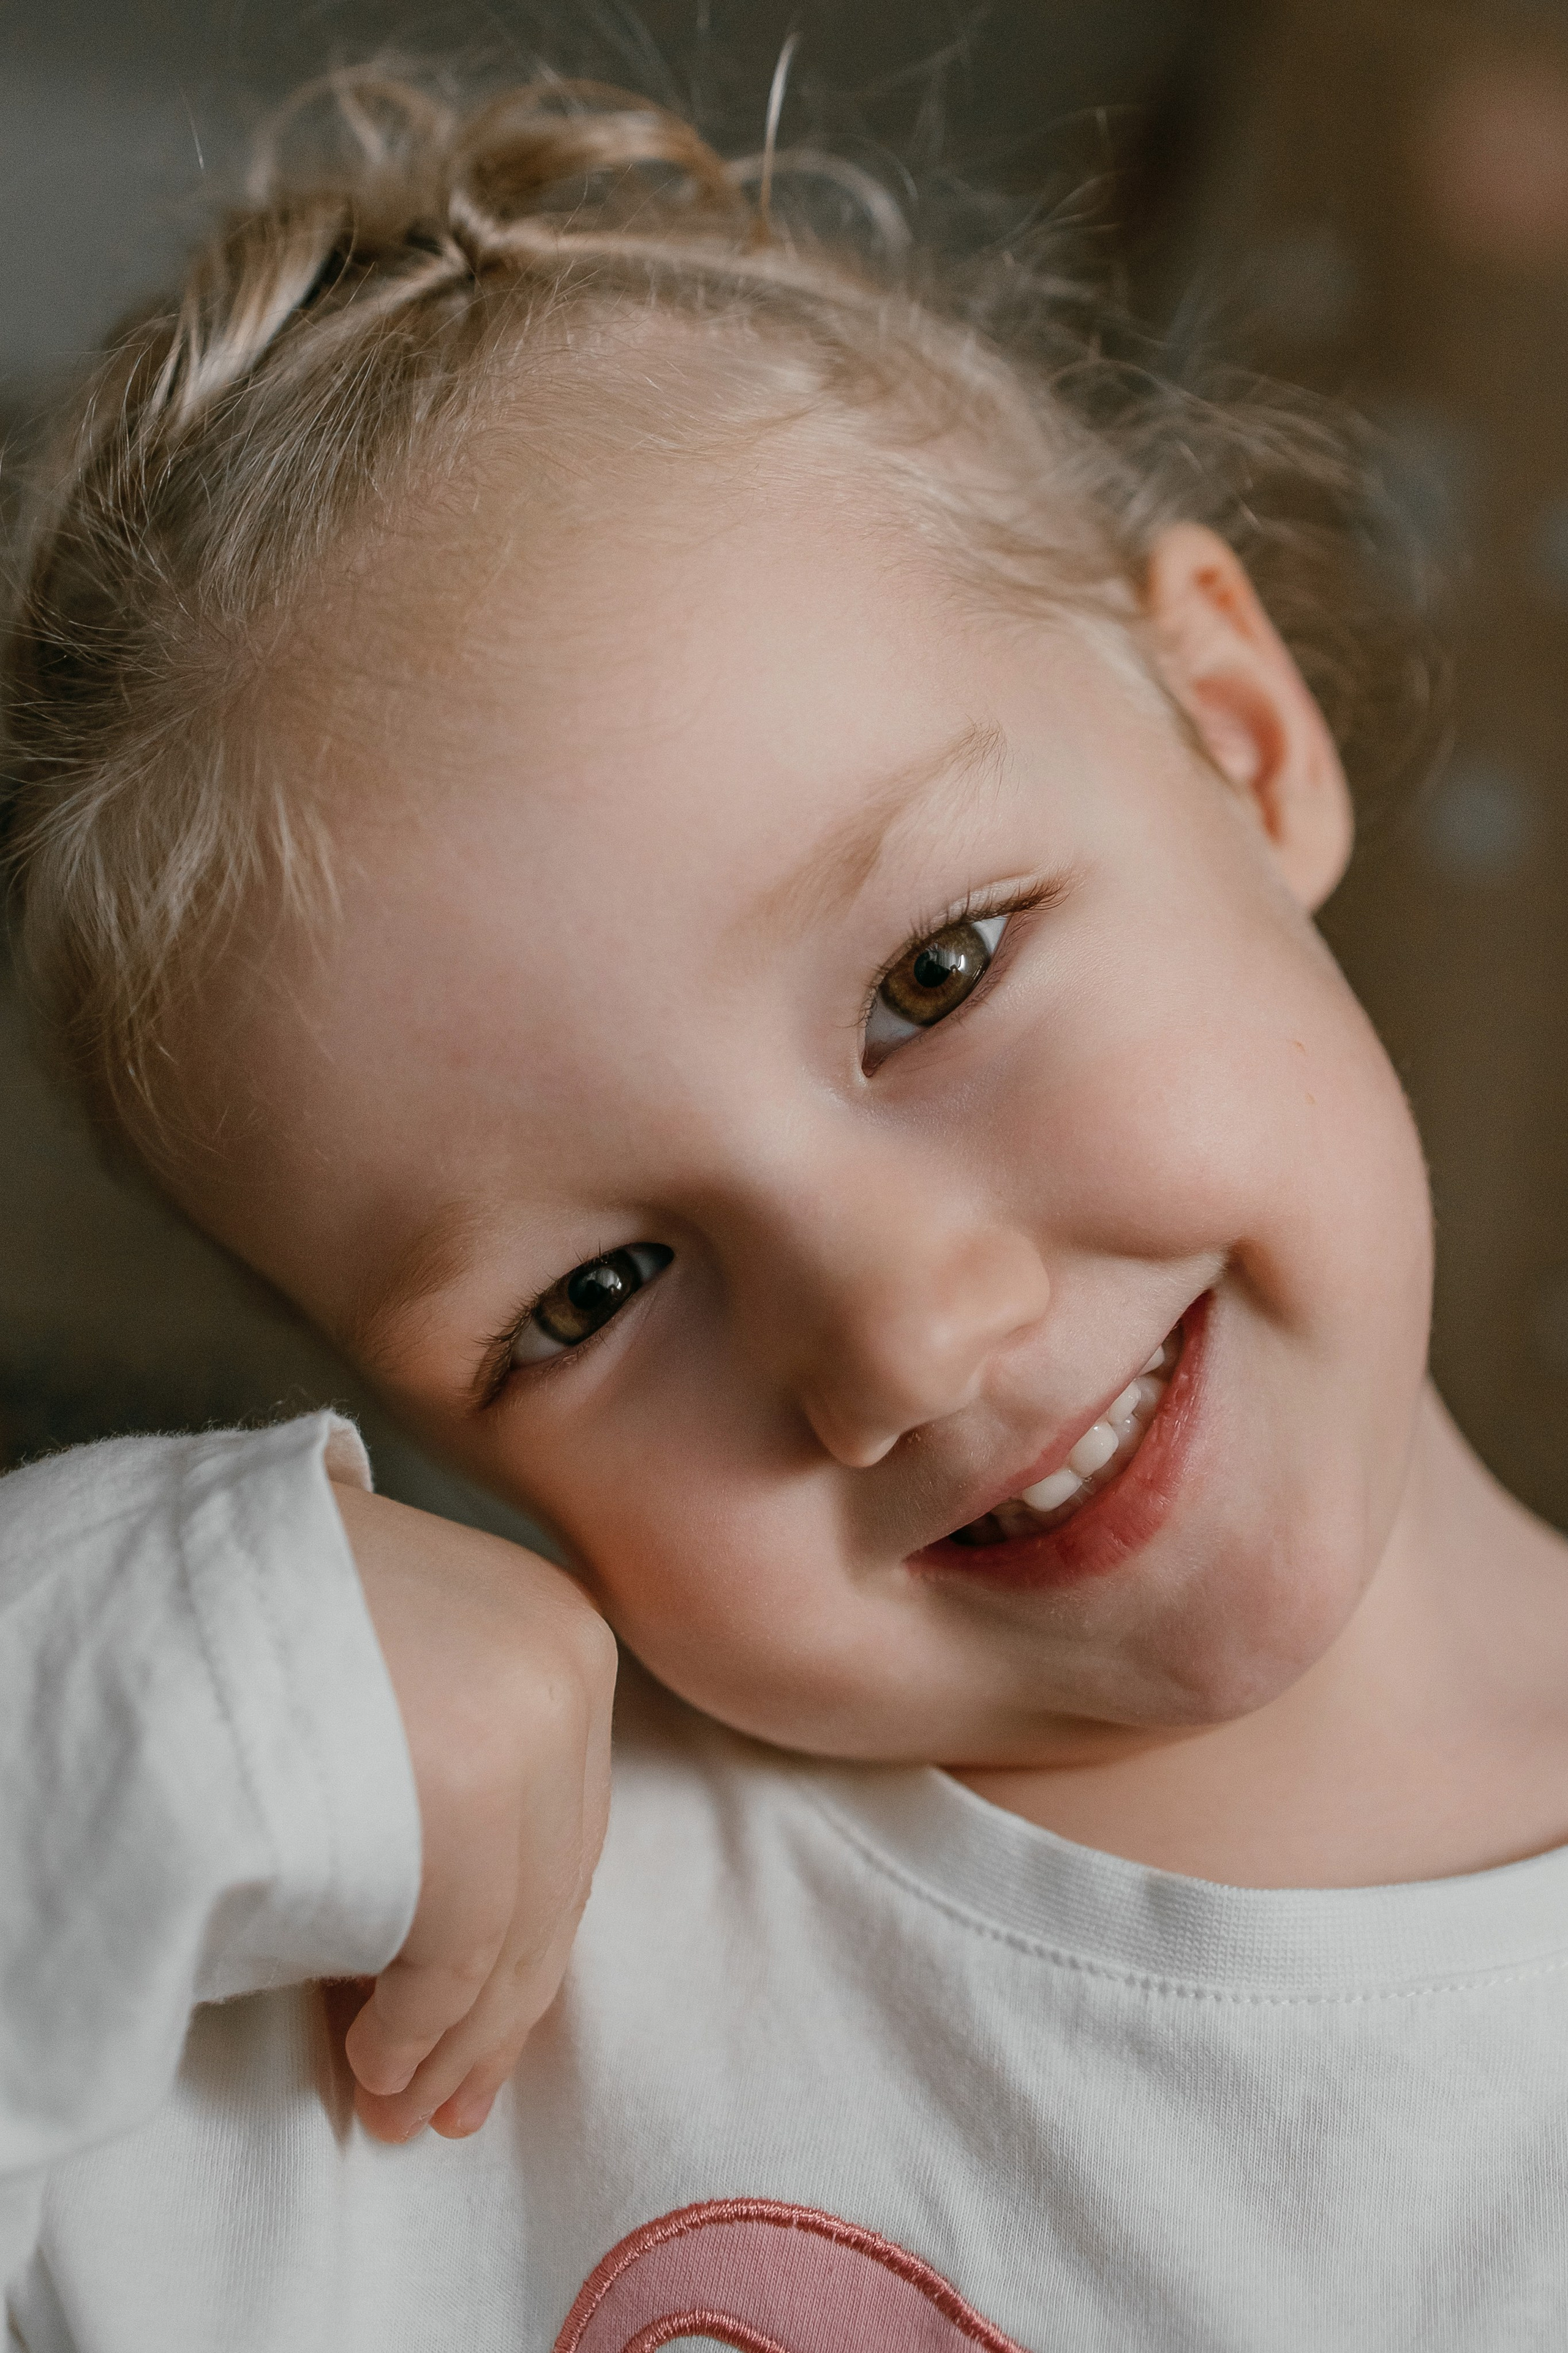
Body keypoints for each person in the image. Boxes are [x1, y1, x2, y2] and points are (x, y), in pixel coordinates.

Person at [4, 62, 1567, 2353]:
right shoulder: (387, 2003)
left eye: (938, 976)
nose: (908, 1337)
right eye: (597, 1292)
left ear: (1240, 735)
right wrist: (166, 1655)